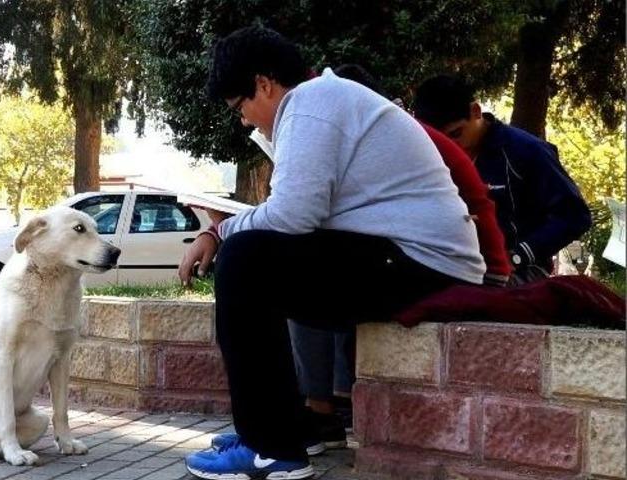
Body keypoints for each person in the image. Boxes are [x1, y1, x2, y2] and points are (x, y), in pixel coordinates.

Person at [178, 26, 486, 480]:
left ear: (263, 84)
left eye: (240, 106)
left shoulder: (311, 103)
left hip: (423, 264)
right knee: (259, 258)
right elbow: (302, 215)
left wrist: (221, 233)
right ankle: (284, 427)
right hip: (414, 258)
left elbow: (291, 215)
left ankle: (270, 446)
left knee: (245, 260)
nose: (243, 120)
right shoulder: (323, 101)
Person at [412, 75, 592, 284]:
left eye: (455, 134)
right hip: (452, 264)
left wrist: (518, 255)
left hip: (519, 271)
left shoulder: (527, 151)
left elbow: (575, 215)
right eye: (438, 141)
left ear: (476, 112)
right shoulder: (427, 156)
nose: (449, 148)